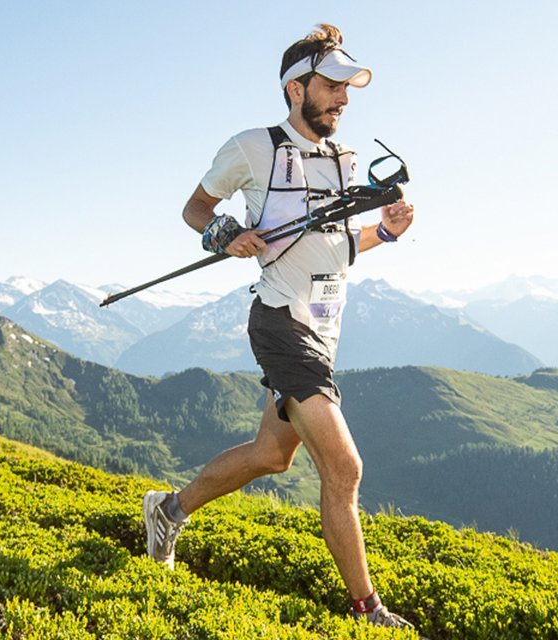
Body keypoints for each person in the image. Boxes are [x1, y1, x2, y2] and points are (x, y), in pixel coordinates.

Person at [141, 23, 416, 629]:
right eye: (332, 86)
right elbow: (195, 209)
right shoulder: (251, 147)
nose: (344, 99)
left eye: (348, 89)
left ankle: (168, 510)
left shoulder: (345, 161)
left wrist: (386, 231)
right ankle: (369, 611)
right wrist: (225, 234)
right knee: (344, 468)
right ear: (296, 89)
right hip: (280, 323)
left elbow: (336, 246)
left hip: (322, 328)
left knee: (272, 455)